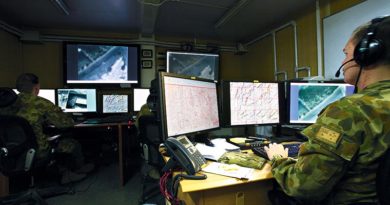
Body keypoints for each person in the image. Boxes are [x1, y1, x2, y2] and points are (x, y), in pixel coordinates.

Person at [265, 16, 390, 204]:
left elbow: (302, 186)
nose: (344, 60)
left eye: (346, 53)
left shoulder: (350, 110)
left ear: (365, 55)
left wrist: (278, 159)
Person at [11, 73, 94, 184]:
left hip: (12, 151)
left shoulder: (8, 103)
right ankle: (69, 173)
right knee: (72, 143)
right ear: (36, 87)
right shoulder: (42, 103)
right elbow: (64, 124)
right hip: (38, 151)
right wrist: (71, 119)